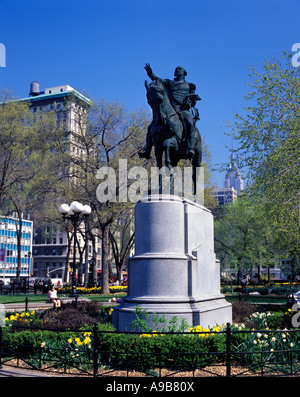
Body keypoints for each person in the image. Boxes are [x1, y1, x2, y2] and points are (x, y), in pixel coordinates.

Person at [139, 63, 200, 160]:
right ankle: (147, 149)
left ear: (184, 73)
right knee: (151, 126)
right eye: (177, 69)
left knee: (189, 122)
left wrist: (190, 103)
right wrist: (151, 74)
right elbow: (157, 79)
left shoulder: (190, 85)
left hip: (182, 109)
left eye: (180, 69)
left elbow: (193, 100)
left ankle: (191, 147)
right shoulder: (169, 83)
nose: (178, 70)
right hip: (169, 109)